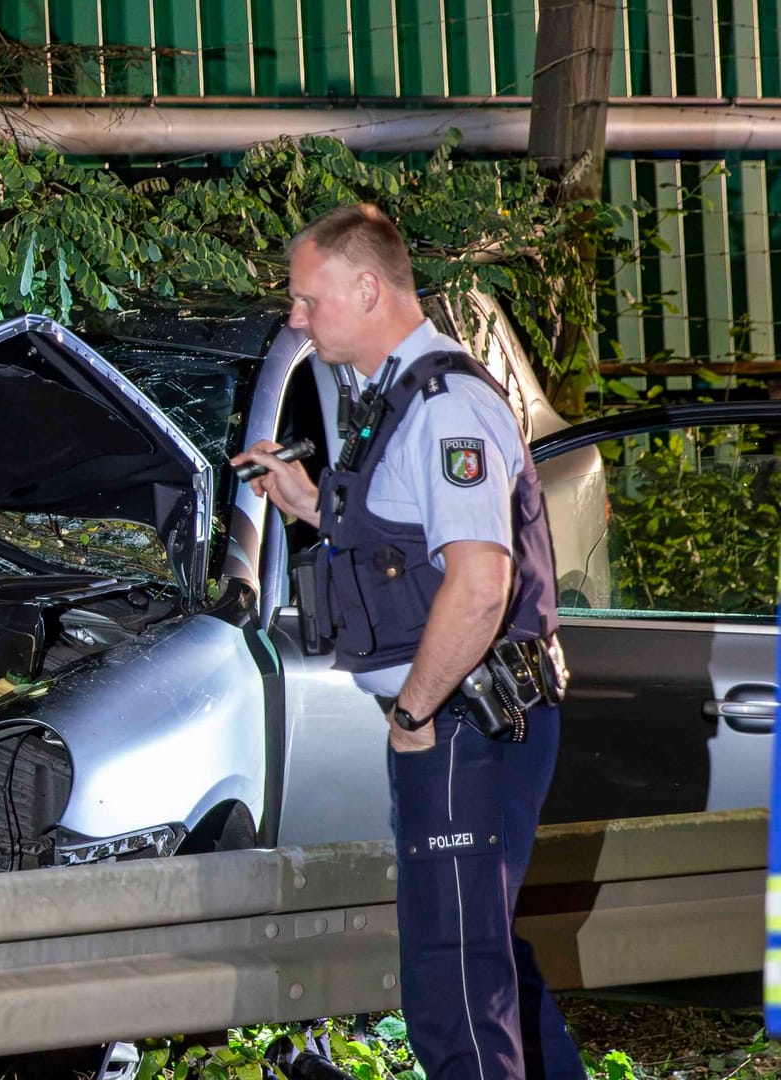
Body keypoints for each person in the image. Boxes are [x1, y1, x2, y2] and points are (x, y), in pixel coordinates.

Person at [231, 204, 583, 1079]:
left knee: (452, 983)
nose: (296, 319)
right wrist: (311, 502)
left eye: (308, 301)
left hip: (465, 720)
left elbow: (478, 583)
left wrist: (415, 714)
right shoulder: (394, 400)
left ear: (367, 286)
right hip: (461, 723)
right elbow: (407, 544)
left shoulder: (445, 405)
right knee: (479, 954)